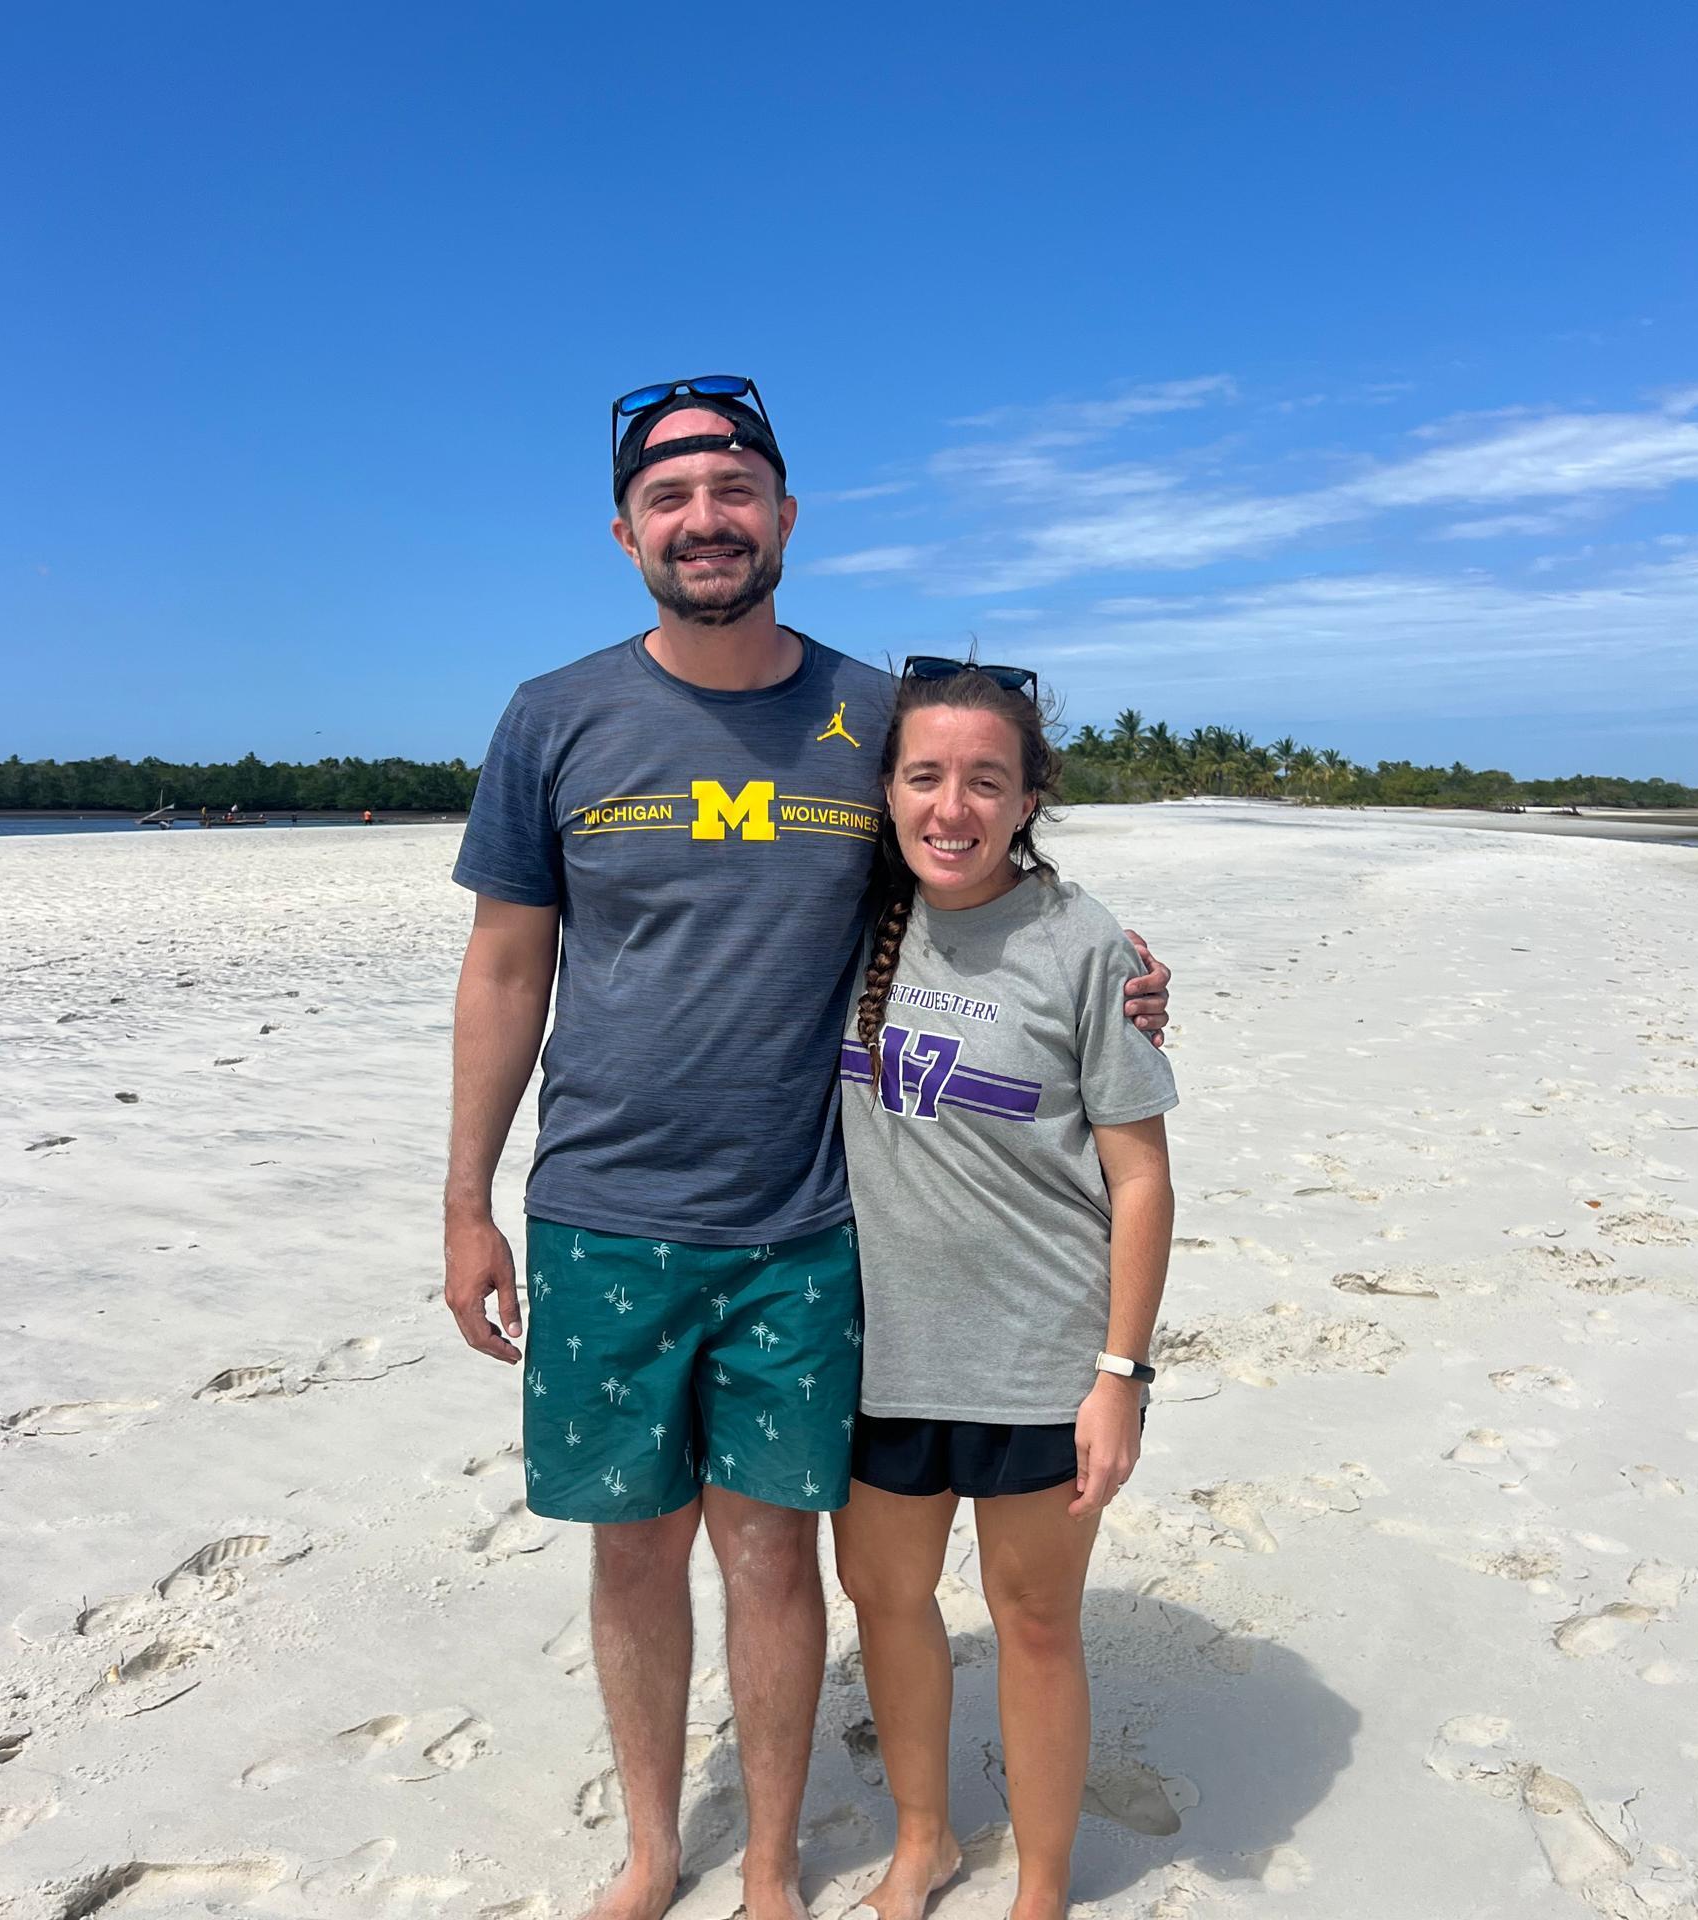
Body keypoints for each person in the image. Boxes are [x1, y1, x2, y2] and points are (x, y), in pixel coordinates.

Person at [443, 377, 1172, 1920]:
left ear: (784, 514)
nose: (703, 520)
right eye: (670, 497)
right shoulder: (553, 715)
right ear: (627, 529)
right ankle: (657, 1848)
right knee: (631, 1557)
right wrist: (466, 1200)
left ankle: (772, 1863)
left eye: (733, 490)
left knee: (775, 1557)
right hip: (596, 1212)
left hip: (801, 1230)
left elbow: (972, 859)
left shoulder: (867, 718)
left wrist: (1115, 962)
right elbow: (507, 969)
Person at [831, 663, 1176, 1920]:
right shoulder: (849, 917)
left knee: (1033, 1623)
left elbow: (1141, 1181)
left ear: (1031, 796)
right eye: (925, 776)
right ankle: (921, 1840)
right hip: (879, 1351)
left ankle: (1039, 1887)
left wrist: (1120, 1376)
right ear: (887, 789)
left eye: (987, 779)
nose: (953, 806)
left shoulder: (1086, 944)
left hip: (1041, 1353)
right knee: (886, 1599)